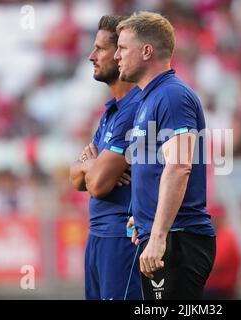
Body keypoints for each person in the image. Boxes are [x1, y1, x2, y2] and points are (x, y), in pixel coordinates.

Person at [115, 11, 216, 300]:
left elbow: (179, 165)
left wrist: (158, 235)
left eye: (123, 48)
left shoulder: (172, 95)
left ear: (147, 51)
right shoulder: (149, 98)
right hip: (164, 235)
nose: (117, 56)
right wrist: (141, 214)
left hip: (179, 236)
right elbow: (152, 166)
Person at [69, 15, 142, 300]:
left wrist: (92, 167)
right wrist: (92, 165)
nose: (91, 56)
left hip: (122, 238)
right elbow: (76, 179)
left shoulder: (135, 108)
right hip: (98, 236)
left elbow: (96, 184)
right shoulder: (111, 111)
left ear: (121, 52)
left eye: (100, 49)